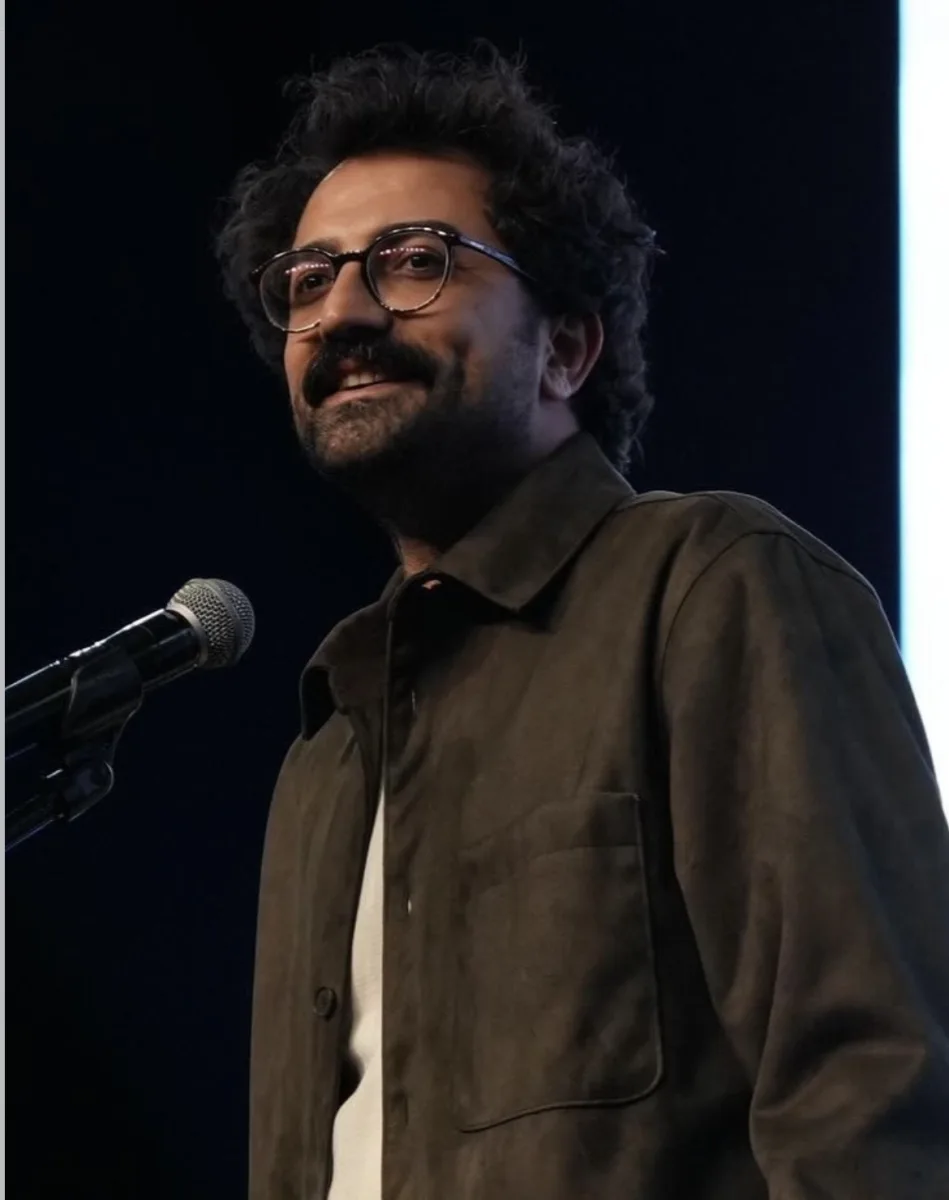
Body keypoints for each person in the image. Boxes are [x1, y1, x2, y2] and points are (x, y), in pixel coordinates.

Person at [215, 42, 949, 1200]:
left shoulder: (710, 586)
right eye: (307, 281)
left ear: (564, 346)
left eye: (414, 261)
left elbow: (871, 1086)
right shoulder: (327, 743)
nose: (343, 310)